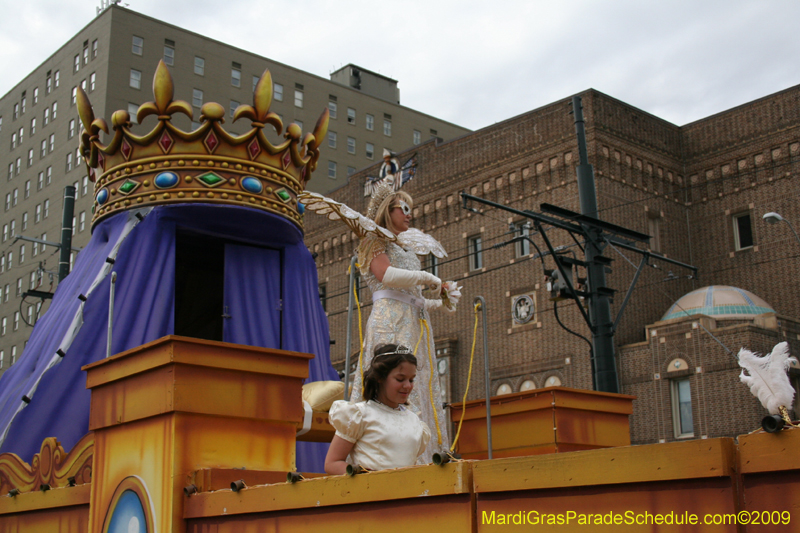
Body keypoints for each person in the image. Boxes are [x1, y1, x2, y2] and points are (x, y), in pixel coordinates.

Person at [351, 187, 458, 463]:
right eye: (405, 209)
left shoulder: (405, 247)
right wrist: (425, 276)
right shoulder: (373, 240)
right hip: (391, 321)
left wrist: (439, 301)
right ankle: (386, 455)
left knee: (417, 383)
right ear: (389, 210)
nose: (410, 215)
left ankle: (425, 455)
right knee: (392, 378)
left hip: (414, 322)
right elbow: (386, 275)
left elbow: (414, 298)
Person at [325, 344, 431, 474]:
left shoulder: (415, 421)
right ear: (380, 377)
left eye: (411, 380)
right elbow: (332, 463)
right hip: (371, 491)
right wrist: (364, 476)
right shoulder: (359, 415)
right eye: (400, 379)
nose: (407, 386)